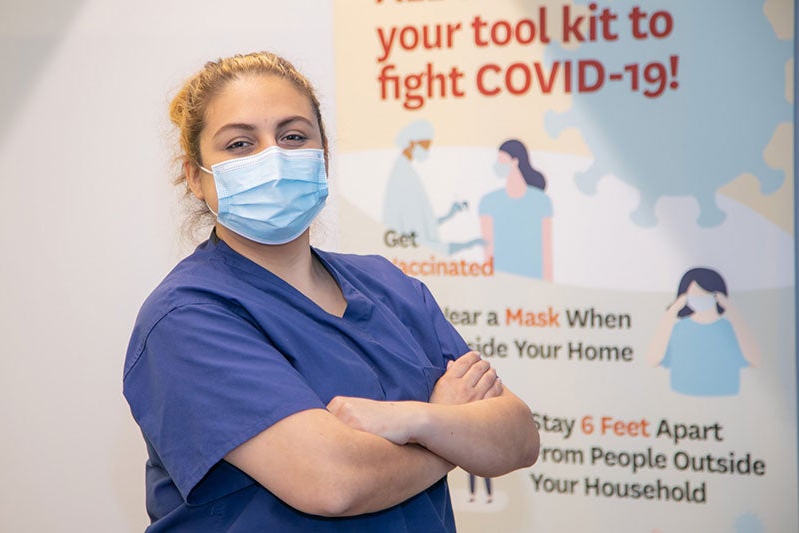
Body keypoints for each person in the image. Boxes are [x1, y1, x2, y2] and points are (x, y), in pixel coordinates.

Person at [123, 51, 540, 531]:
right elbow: (333, 482)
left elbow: (518, 437)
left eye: (293, 136)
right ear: (196, 177)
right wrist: (449, 427)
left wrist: (415, 421)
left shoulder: (389, 286)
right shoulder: (187, 318)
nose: (273, 157)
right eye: (239, 144)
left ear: (322, 157)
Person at [646, 267, 761, 396]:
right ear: (684, 298)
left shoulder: (731, 329)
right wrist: (671, 313)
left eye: (706, 295)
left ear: (719, 297)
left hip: (726, 400)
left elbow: (755, 360)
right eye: (695, 296)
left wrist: (733, 313)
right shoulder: (679, 329)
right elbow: (653, 360)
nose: (701, 299)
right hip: (682, 399)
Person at [382, 119, 483, 255]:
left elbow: (420, 226)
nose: (427, 151)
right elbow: (417, 238)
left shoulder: (407, 171)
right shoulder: (403, 176)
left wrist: (448, 216)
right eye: (425, 145)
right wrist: (466, 245)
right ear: (412, 143)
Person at [479, 139, 553, 279]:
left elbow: (546, 251)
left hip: (534, 281)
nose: (498, 165)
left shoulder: (541, 202)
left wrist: (548, 286)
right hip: (501, 280)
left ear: (515, 161)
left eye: (501, 160)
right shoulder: (489, 202)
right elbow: (488, 253)